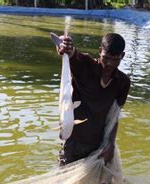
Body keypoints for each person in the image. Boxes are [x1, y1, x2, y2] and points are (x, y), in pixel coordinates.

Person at [56, 33, 131, 165]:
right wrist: (64, 45)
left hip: (99, 146)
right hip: (74, 144)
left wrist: (111, 143)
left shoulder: (123, 82)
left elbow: (114, 116)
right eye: (105, 58)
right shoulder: (85, 66)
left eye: (115, 60)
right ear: (100, 51)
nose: (109, 64)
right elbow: (71, 53)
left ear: (122, 56)